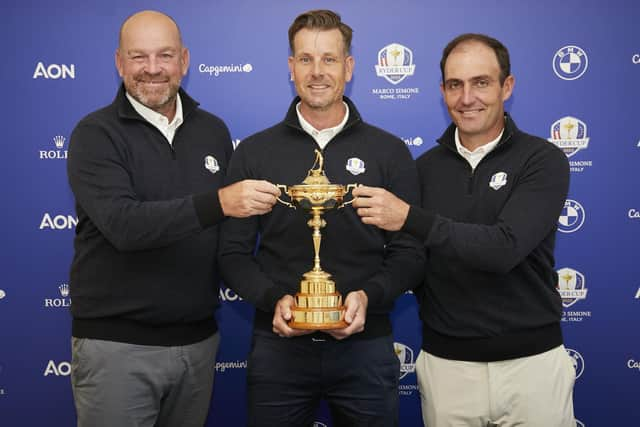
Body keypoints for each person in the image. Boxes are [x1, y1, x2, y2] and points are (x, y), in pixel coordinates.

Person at [66, 10, 279, 427]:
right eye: (138, 56)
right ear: (119, 62)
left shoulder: (213, 131)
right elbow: (124, 225)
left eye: (164, 56)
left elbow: (230, 240)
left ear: (184, 61)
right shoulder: (95, 134)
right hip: (117, 348)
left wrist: (280, 295)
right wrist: (218, 202)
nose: (152, 69)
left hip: (198, 345)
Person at [352, 33, 576, 426]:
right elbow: (410, 261)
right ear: (442, 91)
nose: (467, 97)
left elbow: (504, 248)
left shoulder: (543, 160)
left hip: (533, 367)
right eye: (455, 84)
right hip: (447, 368)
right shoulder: (422, 170)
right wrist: (364, 295)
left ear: (507, 86)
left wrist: (410, 218)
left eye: (481, 82)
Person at [218, 9, 424, 427]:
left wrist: (370, 296)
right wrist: (272, 298)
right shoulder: (255, 153)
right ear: (291, 67)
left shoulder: (389, 153)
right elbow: (233, 253)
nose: (317, 72)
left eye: (329, 59)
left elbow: (410, 253)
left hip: (366, 348)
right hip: (279, 351)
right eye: (306, 59)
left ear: (348, 67)